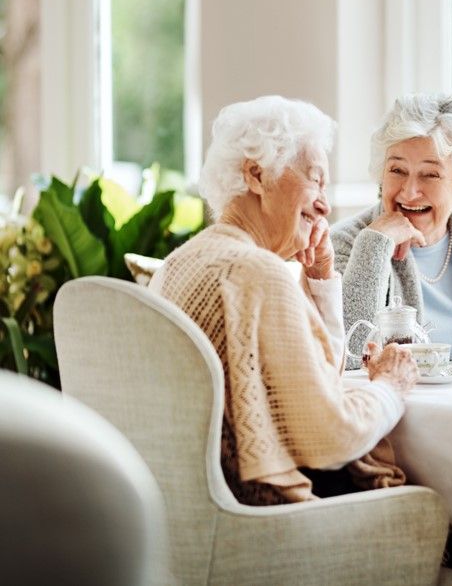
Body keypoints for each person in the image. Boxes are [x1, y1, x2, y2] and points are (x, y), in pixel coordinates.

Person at [150, 95, 418, 505]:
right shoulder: (257, 274)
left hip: (193, 512)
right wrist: (389, 386)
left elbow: (318, 378)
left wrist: (321, 276)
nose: (326, 205)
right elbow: (332, 437)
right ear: (256, 175)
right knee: (435, 511)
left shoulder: (178, 264)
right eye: (315, 179)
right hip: (267, 520)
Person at [331, 93, 452, 360]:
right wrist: (374, 244)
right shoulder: (346, 242)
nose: (409, 192)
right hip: (397, 399)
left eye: (430, 175)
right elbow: (347, 356)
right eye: (397, 170)